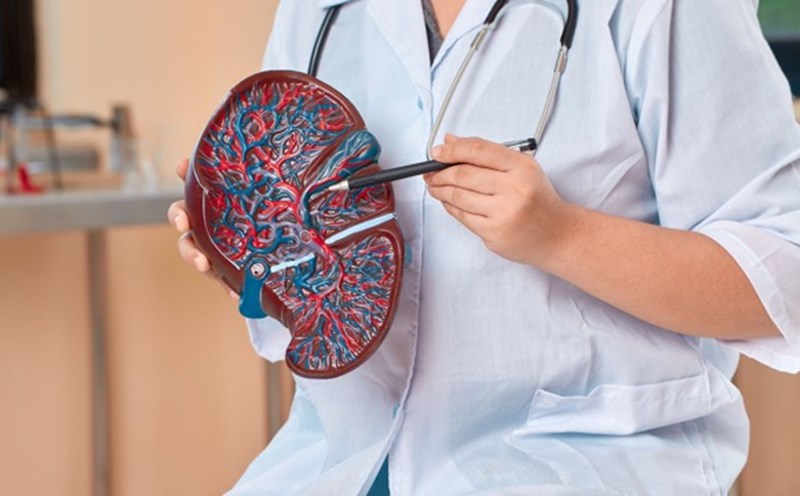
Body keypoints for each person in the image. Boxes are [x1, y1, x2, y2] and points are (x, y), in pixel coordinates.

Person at [168, 0, 800, 494]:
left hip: (582, 464)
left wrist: (562, 236)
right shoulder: (319, 9)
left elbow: (780, 278)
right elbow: (308, 286)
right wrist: (247, 251)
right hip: (338, 460)